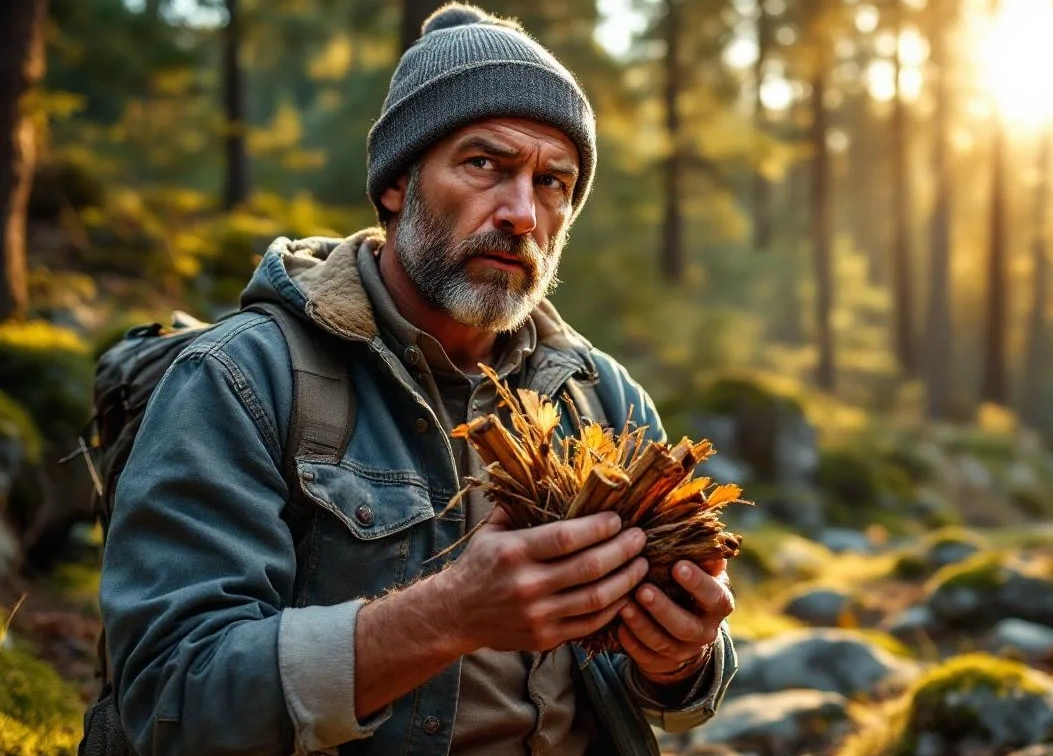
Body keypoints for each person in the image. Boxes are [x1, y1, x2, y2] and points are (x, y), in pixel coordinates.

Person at [99, 4, 737, 754]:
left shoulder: (604, 401)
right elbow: (169, 702)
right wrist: (446, 616)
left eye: (555, 182)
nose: (524, 213)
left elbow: (678, 703)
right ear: (398, 182)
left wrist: (681, 658)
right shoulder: (241, 379)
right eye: (485, 165)